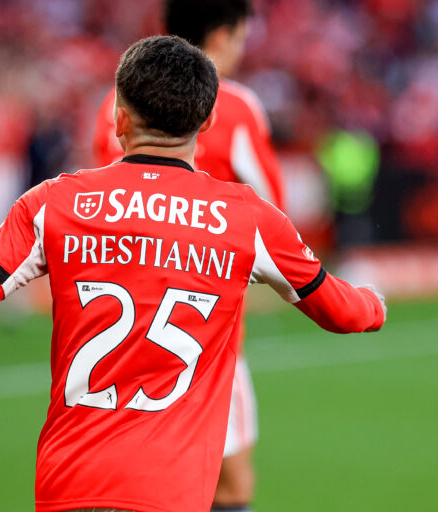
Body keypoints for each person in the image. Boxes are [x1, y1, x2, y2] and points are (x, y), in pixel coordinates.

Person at [0, 36, 386, 512]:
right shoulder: (248, 218)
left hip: (70, 486)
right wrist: (375, 303)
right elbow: (342, 312)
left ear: (118, 114)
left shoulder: (52, 204)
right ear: (208, 119)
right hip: (172, 492)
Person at [93, 2, 283, 509]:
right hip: (202, 326)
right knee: (230, 485)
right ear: (221, 36)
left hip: (118, 325)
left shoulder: (116, 100)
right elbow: (272, 216)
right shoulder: (235, 103)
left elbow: (106, 205)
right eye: (241, 39)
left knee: (137, 478)